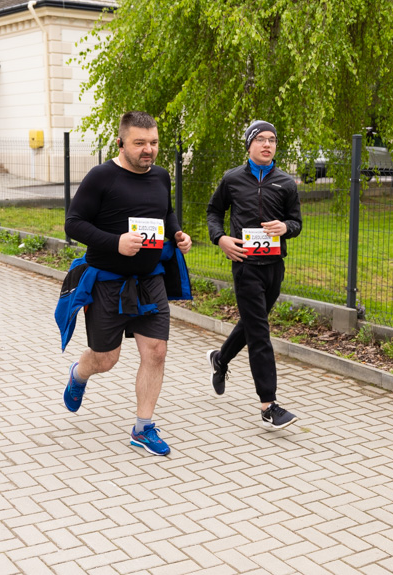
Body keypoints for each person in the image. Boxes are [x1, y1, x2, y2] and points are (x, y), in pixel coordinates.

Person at [60, 111, 192, 457]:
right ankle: (79, 374)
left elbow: (166, 212)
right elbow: (73, 224)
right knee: (106, 359)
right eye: (140, 143)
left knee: (157, 352)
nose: (148, 150)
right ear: (121, 142)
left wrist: (177, 233)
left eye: (154, 143)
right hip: (107, 283)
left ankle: (142, 428)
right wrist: (114, 242)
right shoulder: (101, 177)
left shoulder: (161, 177)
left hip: (150, 281)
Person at [205, 120, 303, 430]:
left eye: (272, 140)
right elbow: (213, 212)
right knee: (260, 332)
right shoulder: (232, 179)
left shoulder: (286, 182)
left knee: (252, 323)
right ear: (249, 145)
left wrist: (285, 228)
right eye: (260, 139)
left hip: (274, 266)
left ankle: (221, 360)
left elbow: (297, 223)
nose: (267, 144)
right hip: (245, 265)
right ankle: (268, 404)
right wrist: (220, 238)